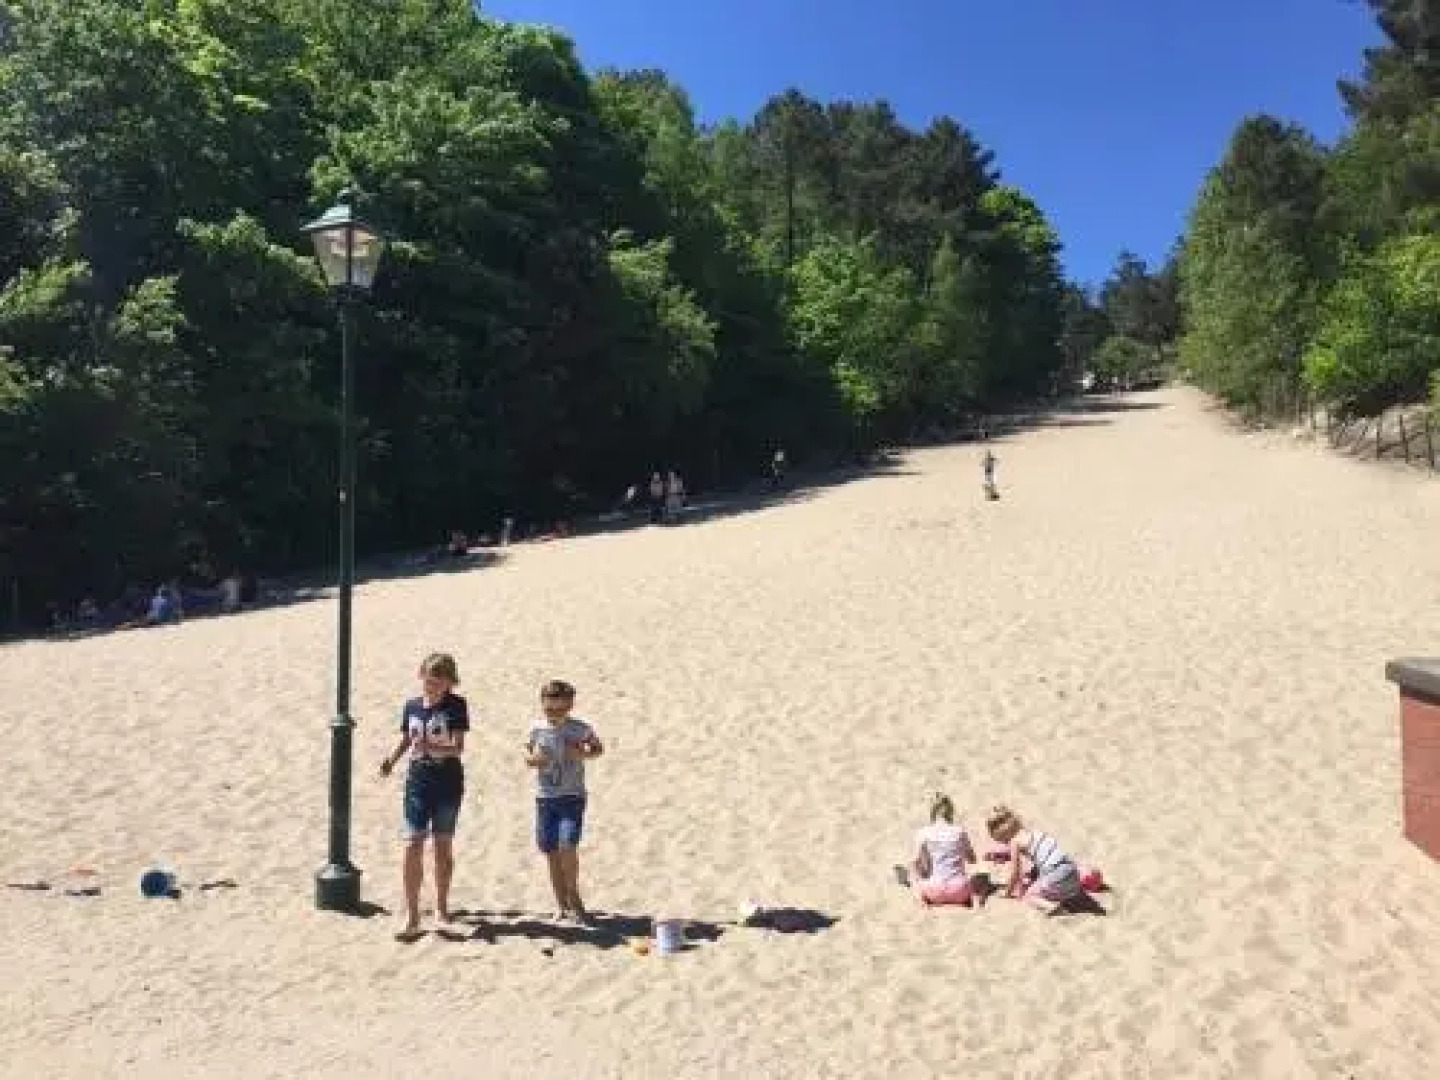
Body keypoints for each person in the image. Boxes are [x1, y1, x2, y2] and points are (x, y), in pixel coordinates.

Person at [379, 652, 470, 940]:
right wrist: (391, 760)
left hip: (447, 780)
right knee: (413, 843)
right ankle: (413, 915)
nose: (431, 686)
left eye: (438, 681)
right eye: (428, 680)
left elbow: (458, 747)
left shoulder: (456, 705)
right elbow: (407, 738)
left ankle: (442, 908)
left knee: (442, 844)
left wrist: (432, 747)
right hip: (418, 781)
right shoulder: (412, 706)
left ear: (449, 682)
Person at [524, 679, 603, 923]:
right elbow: (527, 752)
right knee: (551, 852)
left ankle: (574, 895)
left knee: (567, 845)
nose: (554, 714)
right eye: (549, 709)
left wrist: (581, 753)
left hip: (572, 796)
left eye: (559, 709)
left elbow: (598, 749)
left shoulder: (579, 728)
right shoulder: (536, 728)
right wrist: (534, 759)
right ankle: (561, 904)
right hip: (545, 798)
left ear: (569, 706)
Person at [985, 805, 1082, 915]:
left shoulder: (1015, 842)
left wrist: (1007, 893)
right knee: (1037, 873)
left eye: (1003, 841)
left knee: (1029, 896)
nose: (1005, 843)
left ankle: (1053, 908)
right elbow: (1044, 856)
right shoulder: (1034, 833)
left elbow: (1015, 873)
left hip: (1057, 875)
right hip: (1073, 875)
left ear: (1003, 834)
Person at [900, 793, 984, 908]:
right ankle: (974, 900)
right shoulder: (960, 831)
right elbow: (972, 860)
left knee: (913, 878)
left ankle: (921, 900)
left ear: (933, 812)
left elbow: (914, 862)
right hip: (959, 891)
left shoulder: (923, 832)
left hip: (934, 892)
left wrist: (921, 872)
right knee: (978, 880)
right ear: (950, 811)